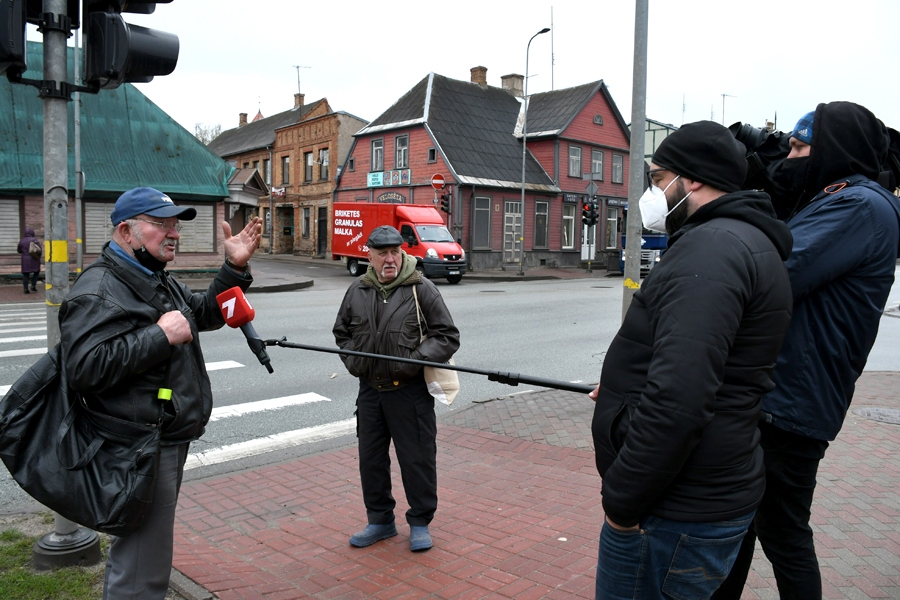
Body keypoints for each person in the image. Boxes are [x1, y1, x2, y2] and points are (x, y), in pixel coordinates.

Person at [589, 121, 794, 599]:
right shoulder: (745, 242)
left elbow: (680, 398)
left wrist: (622, 501)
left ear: (693, 179)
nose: (653, 193)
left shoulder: (711, 250)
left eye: (658, 180)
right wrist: (623, 394)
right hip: (707, 490)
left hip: (673, 509)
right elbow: (718, 367)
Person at [715, 102, 900, 599]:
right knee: (742, 526)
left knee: (782, 533)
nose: (787, 157)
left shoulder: (858, 206)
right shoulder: (835, 200)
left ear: (833, 150)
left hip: (793, 401)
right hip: (784, 395)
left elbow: (774, 269)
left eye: (798, 147)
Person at [59, 187, 262, 600]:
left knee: (145, 554)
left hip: (160, 438)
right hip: (138, 445)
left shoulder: (154, 278)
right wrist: (158, 336)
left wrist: (232, 267)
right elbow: (82, 368)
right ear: (126, 230)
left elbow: (203, 314)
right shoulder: (99, 288)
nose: (173, 234)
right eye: (160, 224)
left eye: (175, 225)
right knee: (142, 567)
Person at [333, 225, 459, 552]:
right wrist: (355, 363)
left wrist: (413, 361)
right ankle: (380, 521)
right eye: (382, 253)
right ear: (369, 255)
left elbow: (447, 336)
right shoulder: (358, 290)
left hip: (410, 393)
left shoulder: (421, 288)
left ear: (402, 252)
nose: (389, 259)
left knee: (416, 459)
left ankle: (419, 521)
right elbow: (342, 333)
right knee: (371, 460)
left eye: (394, 252)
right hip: (370, 392)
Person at [16, 227, 41, 294]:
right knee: (36, 272)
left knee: (26, 274)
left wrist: (24, 252)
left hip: (25, 259)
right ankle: (33, 286)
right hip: (34, 259)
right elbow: (39, 249)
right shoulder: (34, 240)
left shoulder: (22, 240)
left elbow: (18, 250)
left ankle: (25, 289)